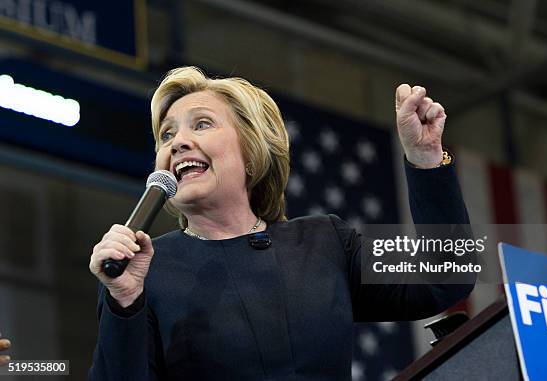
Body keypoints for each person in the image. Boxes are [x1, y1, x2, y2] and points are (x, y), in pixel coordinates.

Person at [88, 66, 473, 380]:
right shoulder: (142, 272)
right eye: (166, 134)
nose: (178, 142)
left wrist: (424, 159)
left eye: (201, 124)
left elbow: (447, 275)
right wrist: (124, 301)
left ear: (251, 151)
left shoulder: (325, 243)